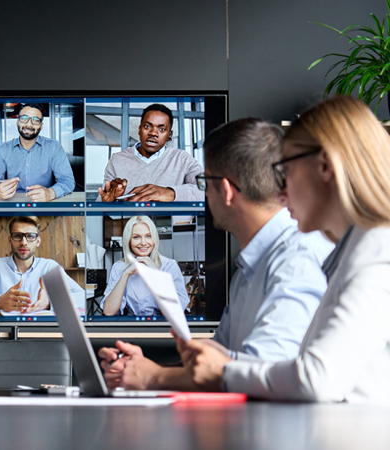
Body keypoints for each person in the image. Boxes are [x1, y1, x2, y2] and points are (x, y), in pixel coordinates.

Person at [182, 97, 390, 405]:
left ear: (324, 166)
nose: (280, 191)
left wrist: (225, 370)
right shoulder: (354, 249)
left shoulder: (377, 250)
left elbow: (318, 379)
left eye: (286, 170)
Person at [98, 118, 332, 391]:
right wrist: (139, 369)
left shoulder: (296, 260)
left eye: (204, 181)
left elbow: (266, 374)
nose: (204, 193)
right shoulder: (251, 266)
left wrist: (153, 377)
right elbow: (221, 362)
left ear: (227, 190)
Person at [0, 216, 84, 312]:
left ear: (38, 241)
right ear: (10, 240)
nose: (24, 243)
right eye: (17, 236)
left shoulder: (50, 267)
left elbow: (82, 297)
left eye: (30, 236)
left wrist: (48, 303)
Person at [98, 104, 203, 202]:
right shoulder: (117, 160)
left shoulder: (183, 159)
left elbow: (207, 189)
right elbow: (103, 199)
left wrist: (171, 193)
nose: (153, 133)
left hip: (167, 222)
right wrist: (108, 202)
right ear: (139, 130)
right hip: (129, 222)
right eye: (147, 126)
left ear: (169, 135)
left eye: (161, 129)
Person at [0, 104, 75, 202]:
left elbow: (67, 180)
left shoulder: (54, 147)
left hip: (44, 206)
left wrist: (51, 193)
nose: (29, 124)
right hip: (12, 207)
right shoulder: (3, 149)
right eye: (24, 118)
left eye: (36, 120)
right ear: (17, 122)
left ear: (41, 126)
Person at [101, 215, 191, 316]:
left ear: (154, 239)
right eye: (136, 237)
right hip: (133, 325)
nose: (143, 243)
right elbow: (108, 311)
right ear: (129, 241)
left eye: (148, 236)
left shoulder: (170, 266)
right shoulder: (119, 268)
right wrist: (126, 274)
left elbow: (175, 311)